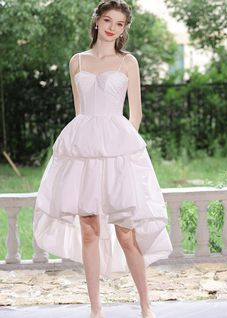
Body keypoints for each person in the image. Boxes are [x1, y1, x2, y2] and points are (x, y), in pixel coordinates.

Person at [33, 1, 173, 317]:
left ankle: (145, 304)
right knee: (88, 230)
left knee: (125, 233)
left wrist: (124, 151)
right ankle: (96, 308)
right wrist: (85, 147)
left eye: (120, 23)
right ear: (97, 21)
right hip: (83, 149)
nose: (112, 27)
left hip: (118, 150)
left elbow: (135, 112)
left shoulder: (128, 62)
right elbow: (80, 110)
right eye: (108, 20)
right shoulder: (77, 62)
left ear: (124, 29)